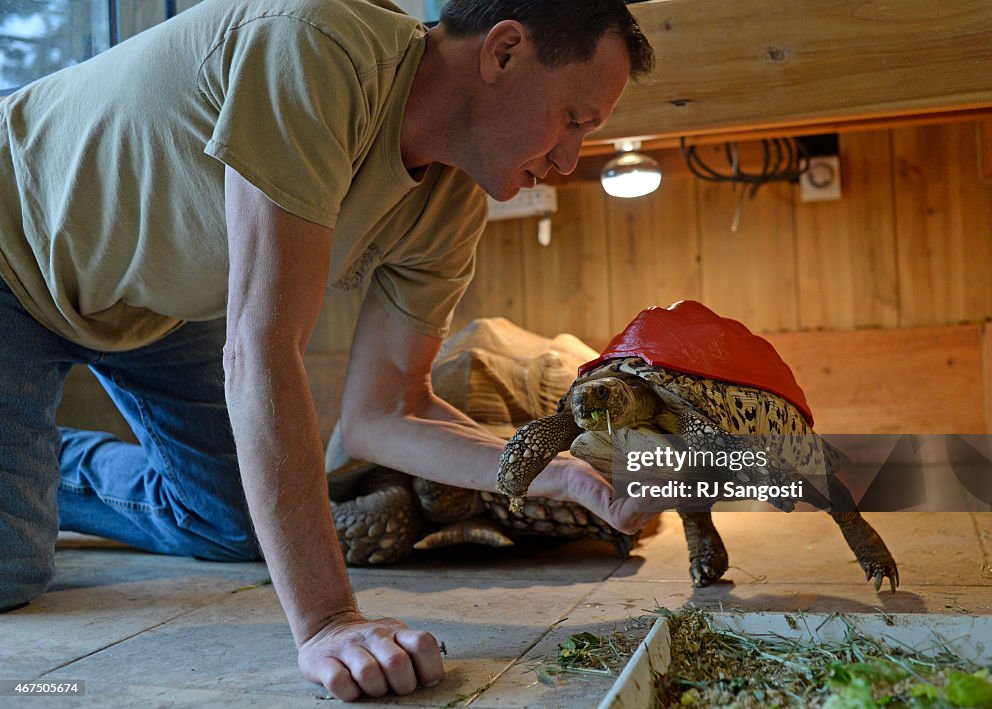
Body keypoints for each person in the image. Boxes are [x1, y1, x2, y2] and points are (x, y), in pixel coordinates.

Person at [0, 0, 654, 700]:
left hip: (151, 302)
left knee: (238, 524)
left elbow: (386, 413)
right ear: (503, 52)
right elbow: (261, 348)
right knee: (13, 573)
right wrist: (328, 620)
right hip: (13, 248)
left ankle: (40, 458)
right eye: (575, 120)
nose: (568, 157)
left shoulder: (452, 204)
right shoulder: (314, 48)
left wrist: (562, 472)